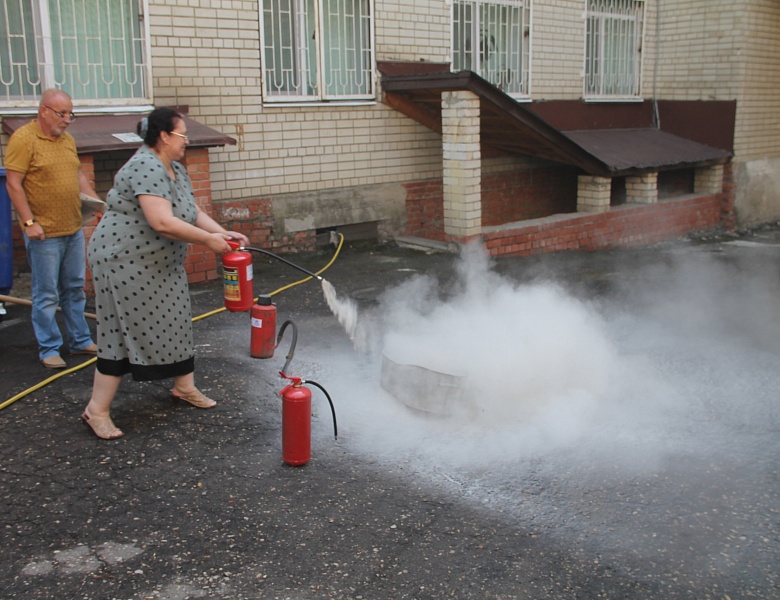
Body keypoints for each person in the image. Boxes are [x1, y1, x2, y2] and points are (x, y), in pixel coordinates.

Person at [82, 107, 248, 439]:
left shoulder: (174, 168)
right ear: (164, 136)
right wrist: (208, 242)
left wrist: (223, 233)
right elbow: (161, 222)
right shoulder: (145, 165)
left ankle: (184, 387)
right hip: (124, 262)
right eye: (182, 136)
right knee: (119, 332)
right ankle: (96, 411)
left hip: (159, 265)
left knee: (176, 319)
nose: (186, 141)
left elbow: (191, 211)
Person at [4, 89, 99, 369]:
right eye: (62, 113)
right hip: (43, 232)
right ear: (44, 110)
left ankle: (80, 340)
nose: (68, 120)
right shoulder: (23, 139)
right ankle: (49, 348)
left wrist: (98, 206)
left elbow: (77, 174)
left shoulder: (66, 139)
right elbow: (13, 184)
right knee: (46, 294)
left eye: (71, 114)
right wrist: (29, 222)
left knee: (74, 288)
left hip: (72, 227)